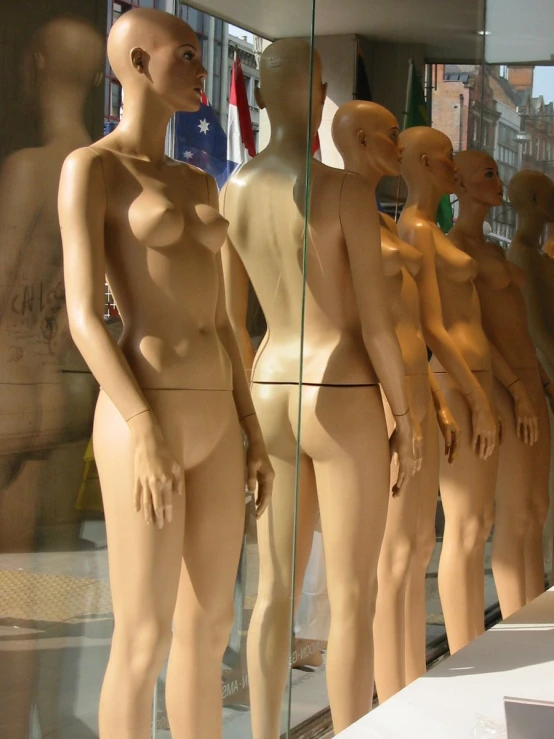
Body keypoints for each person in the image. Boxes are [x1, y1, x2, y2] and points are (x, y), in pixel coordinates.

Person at [57, 9, 273, 738]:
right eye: (187, 54)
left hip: (215, 408)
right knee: (142, 635)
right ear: (139, 65)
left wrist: (251, 427)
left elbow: (220, 320)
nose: (202, 68)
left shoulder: (199, 182)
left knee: (209, 627)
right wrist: (144, 427)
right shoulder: (93, 168)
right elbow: (85, 316)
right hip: (141, 410)